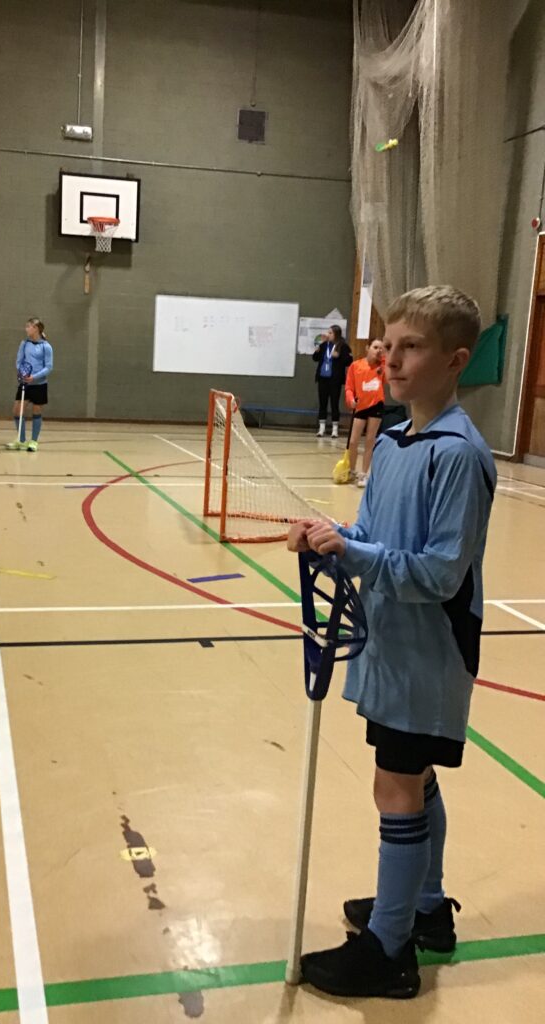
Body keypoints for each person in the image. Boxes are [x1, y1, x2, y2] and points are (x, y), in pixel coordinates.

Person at [287, 286, 496, 1000]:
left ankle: (389, 949)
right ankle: (427, 909)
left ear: (455, 360)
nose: (392, 359)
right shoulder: (397, 440)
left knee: (395, 784)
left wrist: (356, 553)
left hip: (429, 651)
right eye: (390, 345)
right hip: (392, 642)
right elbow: (374, 537)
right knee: (415, 776)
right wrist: (333, 540)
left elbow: (440, 573)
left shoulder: (457, 454)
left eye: (412, 347)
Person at [5, 318, 53, 452]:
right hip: (25, 383)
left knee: (36, 411)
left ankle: (33, 441)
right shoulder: (24, 344)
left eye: (28, 326)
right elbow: (19, 361)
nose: (26, 329)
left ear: (36, 328)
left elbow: (49, 367)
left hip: (39, 384)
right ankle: (21, 440)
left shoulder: (46, 346)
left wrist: (34, 377)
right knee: (17, 410)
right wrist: (22, 373)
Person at [344, 338, 387, 487]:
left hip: (376, 405)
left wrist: (384, 363)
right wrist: (350, 400)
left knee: (370, 440)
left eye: (381, 348)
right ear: (367, 348)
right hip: (360, 406)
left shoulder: (382, 367)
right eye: (375, 347)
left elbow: (390, 378)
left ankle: (363, 474)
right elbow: (349, 387)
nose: (378, 350)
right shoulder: (356, 366)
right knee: (353, 441)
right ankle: (351, 470)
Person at [313, 324, 352, 438]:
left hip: (335, 380)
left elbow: (349, 361)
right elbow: (315, 358)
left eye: (330, 333)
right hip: (323, 378)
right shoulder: (324, 345)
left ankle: (335, 429)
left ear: (336, 334)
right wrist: (317, 351)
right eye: (328, 332)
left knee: (334, 403)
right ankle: (321, 428)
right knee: (322, 403)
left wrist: (339, 356)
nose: (328, 334)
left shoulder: (343, 346)